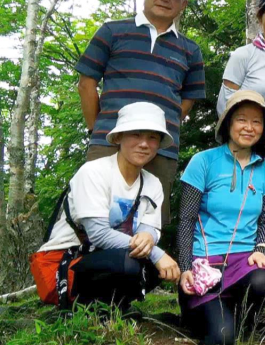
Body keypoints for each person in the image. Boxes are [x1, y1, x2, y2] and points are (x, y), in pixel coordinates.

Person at [76, 0, 206, 227]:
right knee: (92, 216)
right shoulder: (112, 31)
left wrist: (159, 127)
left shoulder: (190, 50)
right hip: (108, 140)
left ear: (184, 4)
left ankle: (147, 268)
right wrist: (96, 128)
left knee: (149, 219)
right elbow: (86, 83)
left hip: (161, 148)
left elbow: (189, 98)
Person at [30, 102, 179, 310]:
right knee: (132, 261)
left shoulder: (153, 183)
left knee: (153, 268)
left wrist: (148, 237)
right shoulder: (94, 172)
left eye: (152, 137)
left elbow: (150, 225)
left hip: (113, 257)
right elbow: (98, 234)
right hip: (68, 260)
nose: (144, 144)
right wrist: (156, 253)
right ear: (119, 138)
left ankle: (112, 306)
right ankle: (85, 306)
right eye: (136, 134)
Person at [176, 91, 265, 345]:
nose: (249, 127)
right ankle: (207, 317)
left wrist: (261, 249)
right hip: (205, 262)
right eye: (241, 120)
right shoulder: (203, 161)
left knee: (263, 280)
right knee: (222, 341)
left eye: (256, 122)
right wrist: (185, 266)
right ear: (228, 124)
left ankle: (243, 320)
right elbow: (187, 218)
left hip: (242, 262)